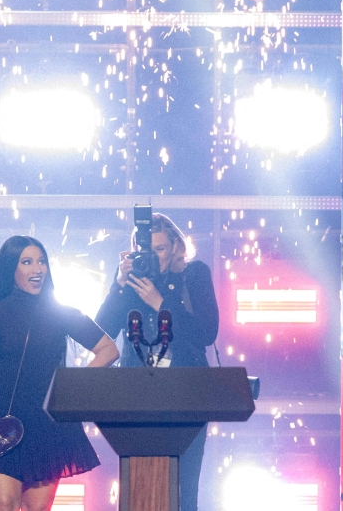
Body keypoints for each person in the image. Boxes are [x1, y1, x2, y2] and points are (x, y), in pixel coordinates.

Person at [0, 236, 120, 511]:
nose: (37, 269)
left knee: (37, 508)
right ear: (10, 268)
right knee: (4, 503)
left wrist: (71, 387)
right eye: (27, 262)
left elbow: (108, 350)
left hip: (47, 424)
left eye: (41, 261)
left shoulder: (62, 313)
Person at [95, 213, 219, 511]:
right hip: (136, 391)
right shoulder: (131, 281)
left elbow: (206, 332)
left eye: (160, 249)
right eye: (147, 251)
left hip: (188, 392)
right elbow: (101, 333)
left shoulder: (194, 274)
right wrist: (119, 285)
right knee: (138, 485)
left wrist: (161, 304)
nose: (154, 257)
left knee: (183, 488)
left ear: (176, 246)